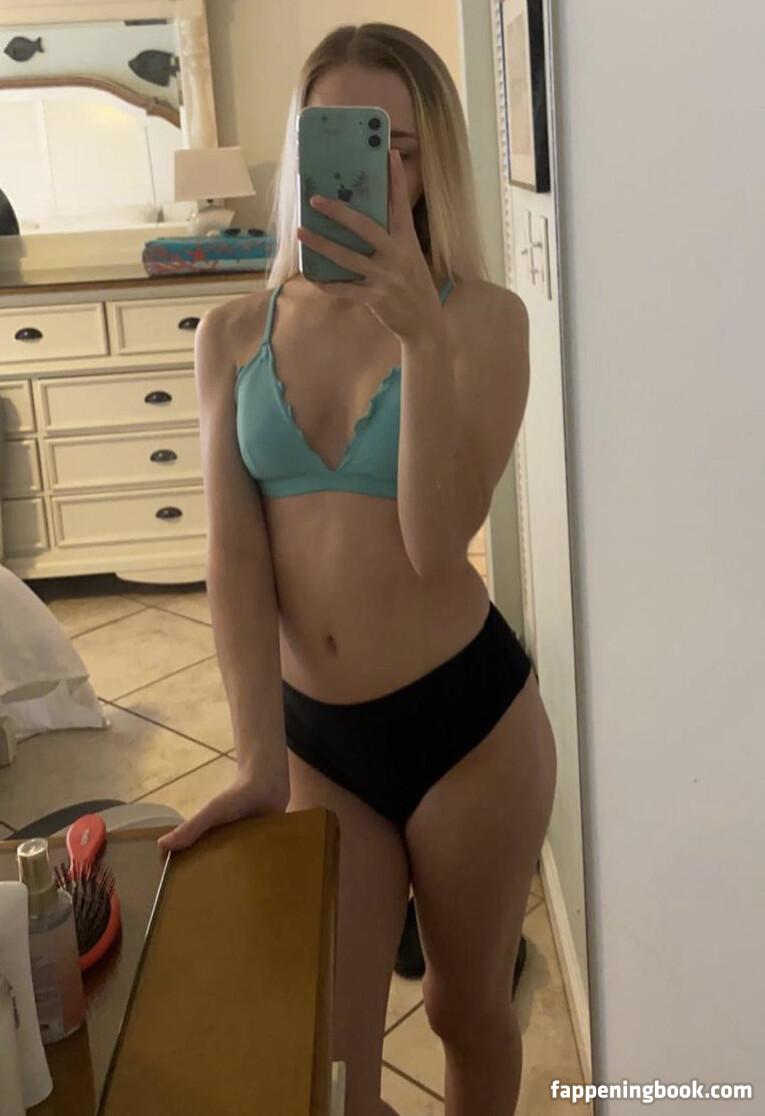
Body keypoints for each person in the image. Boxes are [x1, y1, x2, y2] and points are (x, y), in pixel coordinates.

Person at [157, 22, 557, 1116]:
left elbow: (437, 540)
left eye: (397, 146)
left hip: (469, 731)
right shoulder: (231, 333)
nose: (369, 171)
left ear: (431, 166)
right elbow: (235, 554)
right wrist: (257, 756)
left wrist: (421, 341)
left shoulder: (485, 323)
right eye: (336, 136)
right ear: (302, 148)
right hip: (319, 742)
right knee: (330, 1067)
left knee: (465, 1013)